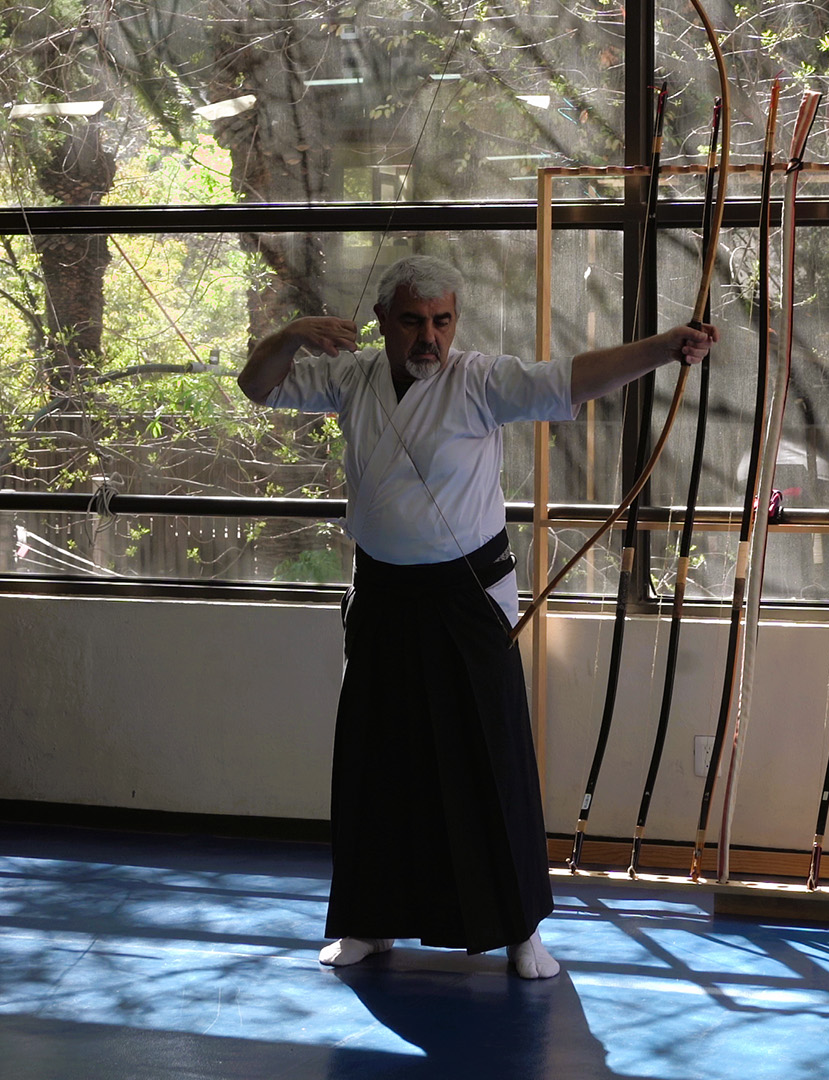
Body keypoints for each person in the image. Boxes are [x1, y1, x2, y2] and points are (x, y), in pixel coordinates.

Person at [239, 255, 714, 978]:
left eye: (442, 322)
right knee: (376, 759)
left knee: (490, 757)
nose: (429, 337)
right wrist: (294, 332)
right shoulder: (351, 378)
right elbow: (256, 383)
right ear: (381, 323)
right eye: (411, 322)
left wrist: (663, 346)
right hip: (384, 595)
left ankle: (523, 929)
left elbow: (574, 378)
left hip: (466, 598)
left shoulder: (480, 382)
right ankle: (369, 920)